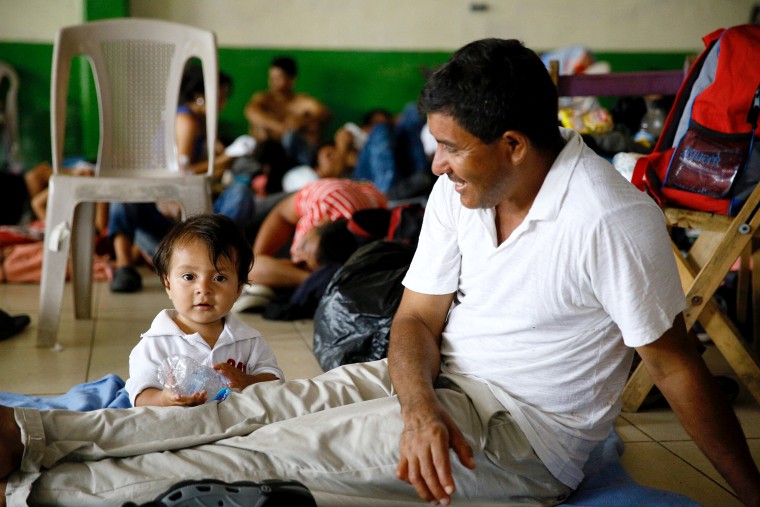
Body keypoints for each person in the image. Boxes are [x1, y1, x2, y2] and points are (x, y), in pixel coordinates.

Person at [1, 38, 758, 507]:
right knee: (239, 413)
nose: (435, 163)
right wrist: (419, 400)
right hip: (432, 383)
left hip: (517, 437)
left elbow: (680, 370)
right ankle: (31, 430)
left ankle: (40, 492)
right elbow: (416, 321)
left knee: (257, 457)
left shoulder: (611, 220)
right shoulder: (462, 192)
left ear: (516, 144)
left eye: (452, 148)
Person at [109, 66, 255, 293]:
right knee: (125, 196)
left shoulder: (199, 121)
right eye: (221, 96)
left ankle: (218, 255)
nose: (223, 103)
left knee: (240, 193)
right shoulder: (186, 119)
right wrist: (224, 159)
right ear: (200, 94)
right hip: (170, 220)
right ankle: (124, 266)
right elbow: (182, 174)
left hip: (182, 221)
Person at [124, 213, 283, 408]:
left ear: (238, 289)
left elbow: (275, 383)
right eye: (189, 277)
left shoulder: (248, 340)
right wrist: (166, 399)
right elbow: (139, 396)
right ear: (168, 284)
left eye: (219, 278)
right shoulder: (156, 342)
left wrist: (247, 380)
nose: (204, 288)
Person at [235, 178, 386, 310]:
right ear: (322, 221)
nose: (297, 255)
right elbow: (280, 214)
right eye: (304, 245)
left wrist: (308, 280)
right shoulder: (322, 198)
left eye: (305, 264)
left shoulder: (362, 251)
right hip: (306, 200)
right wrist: (259, 255)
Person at [244, 56, 331, 167]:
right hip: (264, 157)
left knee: (307, 129)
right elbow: (251, 112)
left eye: (278, 78)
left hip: (296, 159)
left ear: (291, 80)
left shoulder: (302, 101)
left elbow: (324, 113)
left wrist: (302, 122)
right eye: (271, 77)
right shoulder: (263, 99)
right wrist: (280, 127)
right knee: (259, 127)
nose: (272, 82)